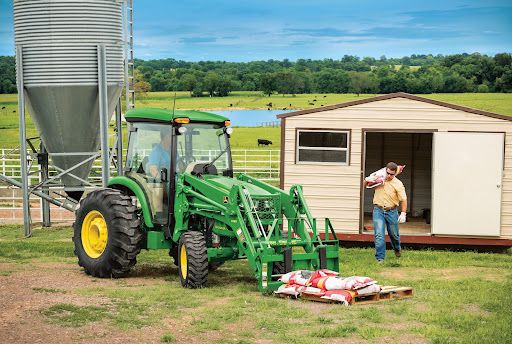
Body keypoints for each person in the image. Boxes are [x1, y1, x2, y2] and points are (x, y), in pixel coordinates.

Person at [363, 162, 407, 263]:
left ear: (395, 173)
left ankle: (397, 248)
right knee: (379, 234)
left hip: (391, 211)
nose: (389, 176)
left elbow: (403, 199)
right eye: (388, 173)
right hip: (378, 210)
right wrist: (366, 180)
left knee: (394, 235)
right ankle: (380, 258)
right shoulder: (379, 179)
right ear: (385, 171)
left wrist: (403, 213)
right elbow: (364, 186)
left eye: (392, 174)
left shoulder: (398, 184)